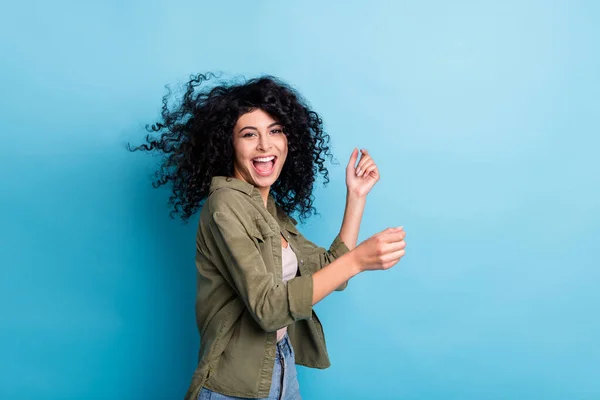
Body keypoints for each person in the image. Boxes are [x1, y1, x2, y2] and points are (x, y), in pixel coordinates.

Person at [129, 73, 407, 400]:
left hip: (281, 366)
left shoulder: (267, 209)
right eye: (249, 134)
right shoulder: (225, 206)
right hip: (235, 385)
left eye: (275, 130)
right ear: (228, 144)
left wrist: (356, 197)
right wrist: (358, 260)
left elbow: (332, 271)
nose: (265, 145)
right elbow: (269, 309)